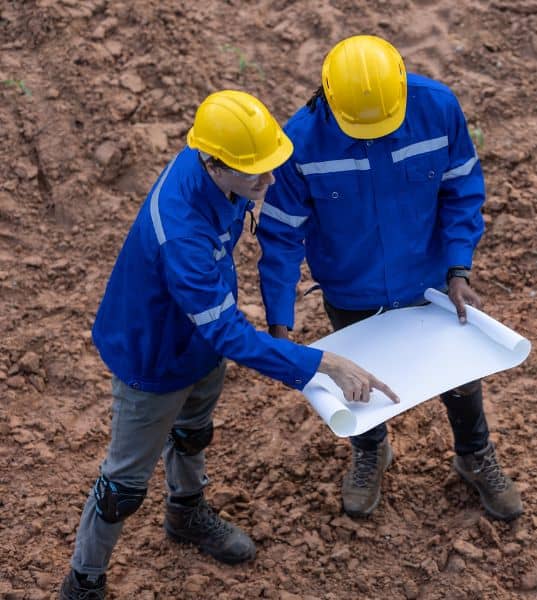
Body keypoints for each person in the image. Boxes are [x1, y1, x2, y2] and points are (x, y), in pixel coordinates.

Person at [59, 90, 398, 600]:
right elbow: (228, 332)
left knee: (194, 433)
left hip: (199, 340)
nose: (269, 181)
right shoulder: (181, 232)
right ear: (213, 163)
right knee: (124, 484)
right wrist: (320, 361)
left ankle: (186, 511)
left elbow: (217, 326)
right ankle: (83, 581)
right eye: (256, 173)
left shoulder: (222, 169)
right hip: (152, 357)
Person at [257, 35, 523, 522]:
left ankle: (473, 453)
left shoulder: (438, 109)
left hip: (429, 283)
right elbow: (280, 237)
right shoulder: (299, 144)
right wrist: (280, 319)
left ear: (402, 90)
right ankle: (371, 450)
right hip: (350, 290)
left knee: (458, 375)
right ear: (329, 100)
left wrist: (458, 267)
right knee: (357, 379)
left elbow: (462, 189)